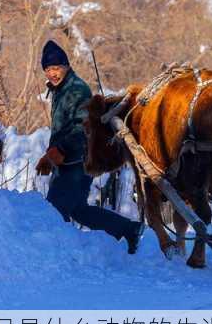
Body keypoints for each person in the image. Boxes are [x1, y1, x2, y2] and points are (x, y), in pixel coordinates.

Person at [35, 40, 143, 253]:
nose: (52, 73)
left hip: (76, 161)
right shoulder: (61, 90)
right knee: (78, 210)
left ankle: (57, 253)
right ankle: (129, 229)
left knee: (55, 210)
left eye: (56, 68)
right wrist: (53, 155)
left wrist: (59, 151)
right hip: (68, 161)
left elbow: (82, 128)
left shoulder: (75, 90)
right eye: (48, 69)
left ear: (66, 66)